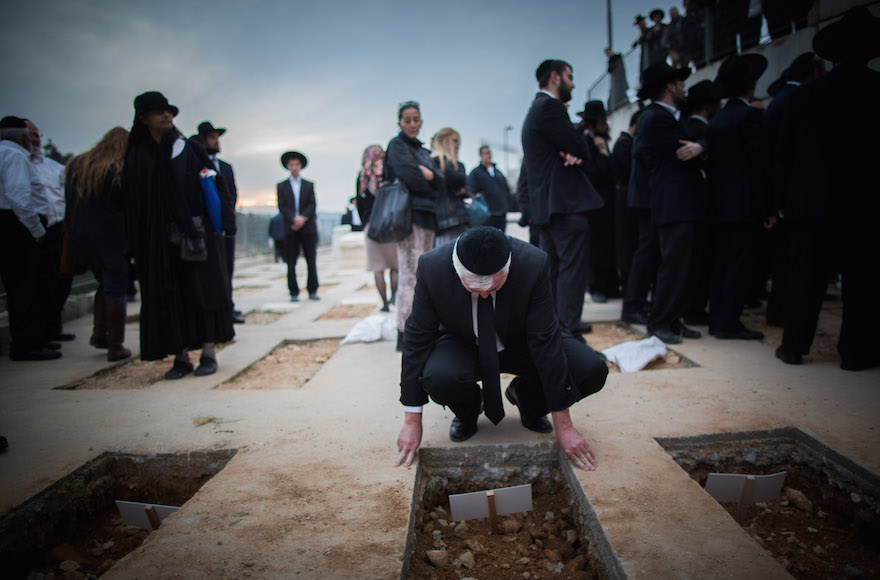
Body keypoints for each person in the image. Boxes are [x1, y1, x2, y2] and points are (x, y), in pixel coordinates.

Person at [393, 226, 608, 469]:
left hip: (520, 340)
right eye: (474, 289)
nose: (484, 295)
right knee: (439, 377)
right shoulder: (432, 267)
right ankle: (469, 411)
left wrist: (564, 425)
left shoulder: (533, 263)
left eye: (493, 288)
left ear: (507, 267)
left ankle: (528, 400)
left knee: (591, 369)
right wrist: (412, 420)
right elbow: (417, 338)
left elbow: (545, 341)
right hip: (462, 343)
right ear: (457, 270)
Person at [773, 5, 880, 370]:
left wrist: (780, 200)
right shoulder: (875, 90)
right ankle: (855, 353)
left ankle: (793, 346)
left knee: (805, 278)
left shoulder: (804, 96)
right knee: (860, 281)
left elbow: (783, 154)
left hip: (809, 202)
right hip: (862, 202)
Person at [123, 91, 235, 379]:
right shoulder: (137, 156)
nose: (167, 115)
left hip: (195, 234)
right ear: (144, 118)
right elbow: (133, 203)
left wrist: (222, 223)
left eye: (169, 111)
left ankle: (208, 351)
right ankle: (181, 355)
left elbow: (215, 184)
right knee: (168, 294)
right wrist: (135, 246)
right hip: (157, 239)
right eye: (159, 111)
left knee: (203, 290)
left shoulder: (187, 148)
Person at [521, 60, 603, 342]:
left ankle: (559, 334)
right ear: (555, 77)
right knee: (570, 273)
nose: (574, 83)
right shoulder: (550, 107)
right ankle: (568, 335)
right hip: (564, 206)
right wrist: (571, 148)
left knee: (555, 274)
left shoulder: (536, 110)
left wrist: (565, 150)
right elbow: (580, 147)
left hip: (549, 208)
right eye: (570, 76)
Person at [628, 62, 706, 344]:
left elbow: (695, 144)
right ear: (670, 86)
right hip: (672, 203)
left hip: (677, 203)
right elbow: (685, 148)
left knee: (681, 266)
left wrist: (700, 146)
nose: (684, 87)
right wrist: (699, 146)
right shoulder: (656, 118)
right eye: (680, 83)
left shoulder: (668, 117)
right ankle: (660, 321)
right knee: (673, 267)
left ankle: (672, 319)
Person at [705, 53, 769, 341]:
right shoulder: (749, 116)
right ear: (750, 86)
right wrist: (768, 206)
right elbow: (759, 166)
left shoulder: (716, 121)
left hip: (718, 206)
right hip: (743, 206)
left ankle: (718, 317)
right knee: (739, 265)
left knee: (722, 264)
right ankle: (727, 322)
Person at [65, 127, 132, 361]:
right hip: (112, 239)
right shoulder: (119, 170)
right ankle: (115, 344)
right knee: (115, 288)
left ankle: (100, 335)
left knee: (103, 284)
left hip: (83, 237)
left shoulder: (80, 166)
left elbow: (69, 203)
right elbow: (128, 208)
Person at [383, 101, 444, 349]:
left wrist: (431, 177)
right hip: (409, 218)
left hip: (428, 216)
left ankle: (420, 328)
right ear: (399, 122)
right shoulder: (397, 146)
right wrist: (429, 179)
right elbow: (410, 176)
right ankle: (404, 332)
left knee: (423, 277)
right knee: (409, 275)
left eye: (415, 119)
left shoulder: (422, 150)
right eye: (406, 119)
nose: (411, 124)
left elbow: (441, 180)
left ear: (420, 121)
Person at [0, 116, 59, 360]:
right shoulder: (15, 156)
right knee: (26, 286)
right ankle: (27, 344)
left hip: (9, 223)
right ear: (24, 137)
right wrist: (37, 231)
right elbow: (19, 197)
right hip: (17, 225)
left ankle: (32, 339)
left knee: (18, 286)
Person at [26, 119, 75, 345]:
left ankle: (53, 327)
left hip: (59, 229)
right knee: (36, 284)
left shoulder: (53, 167)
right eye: (31, 135)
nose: (35, 139)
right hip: (32, 231)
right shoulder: (14, 161)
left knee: (62, 279)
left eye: (37, 135)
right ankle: (36, 335)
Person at [192, 121, 243, 324]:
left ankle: (228, 306)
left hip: (226, 227)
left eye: (217, 137)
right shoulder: (198, 163)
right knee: (213, 270)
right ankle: (216, 310)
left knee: (227, 268)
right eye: (212, 137)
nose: (216, 141)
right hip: (208, 229)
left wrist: (227, 221)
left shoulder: (226, 167)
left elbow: (232, 195)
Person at [680, 79, 722, 326]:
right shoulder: (698, 130)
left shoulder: (697, 131)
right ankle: (693, 308)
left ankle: (693, 308)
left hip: (698, 206)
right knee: (697, 263)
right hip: (696, 207)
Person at [576, 100, 619, 304]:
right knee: (597, 250)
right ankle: (597, 287)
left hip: (607, 205)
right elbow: (592, 174)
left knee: (609, 246)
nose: (606, 125)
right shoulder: (587, 143)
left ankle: (610, 285)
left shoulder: (602, 140)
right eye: (602, 121)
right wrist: (602, 154)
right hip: (594, 206)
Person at [356, 145, 397, 312]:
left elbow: (359, 203)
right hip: (391, 225)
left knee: (378, 267)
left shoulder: (362, 177)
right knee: (395, 266)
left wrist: (366, 223)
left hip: (371, 226)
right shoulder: (389, 173)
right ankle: (394, 297)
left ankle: (385, 304)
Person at [277, 150, 319, 301]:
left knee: (311, 260)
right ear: (288, 166)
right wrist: (293, 220)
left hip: (307, 228)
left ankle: (313, 290)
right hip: (291, 228)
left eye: (296, 164)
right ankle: (293, 292)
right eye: (291, 164)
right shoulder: (282, 186)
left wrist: (302, 218)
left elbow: (312, 204)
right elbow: (282, 206)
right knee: (291, 262)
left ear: (300, 166)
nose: (294, 167)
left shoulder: (308, 185)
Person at [610, 109, 642, 295]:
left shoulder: (624, 144)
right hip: (626, 202)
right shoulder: (624, 145)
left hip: (626, 201)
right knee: (628, 248)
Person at [430, 127, 469, 246]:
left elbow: (462, 182)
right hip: (444, 220)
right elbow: (459, 180)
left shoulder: (454, 164)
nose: (458, 144)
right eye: (455, 140)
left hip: (457, 218)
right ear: (445, 140)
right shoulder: (436, 161)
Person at [467, 145, 511, 232]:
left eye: (490, 153)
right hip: (487, 216)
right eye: (486, 153)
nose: (489, 155)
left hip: (501, 214)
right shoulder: (475, 173)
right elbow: (471, 191)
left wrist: (507, 206)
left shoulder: (498, 172)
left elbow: (506, 190)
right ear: (481, 155)